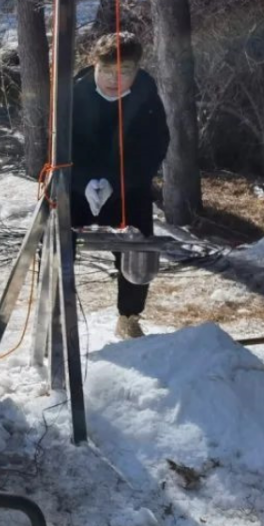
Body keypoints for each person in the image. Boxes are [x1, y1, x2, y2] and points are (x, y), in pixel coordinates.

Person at [71, 32, 170, 339]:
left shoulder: (146, 93)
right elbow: (60, 147)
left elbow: (154, 147)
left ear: (137, 69)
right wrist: (84, 181)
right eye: (108, 72)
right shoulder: (74, 93)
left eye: (125, 72)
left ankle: (129, 316)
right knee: (55, 246)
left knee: (139, 248)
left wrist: (117, 183)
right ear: (94, 65)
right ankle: (57, 314)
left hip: (128, 187)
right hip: (77, 187)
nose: (116, 79)